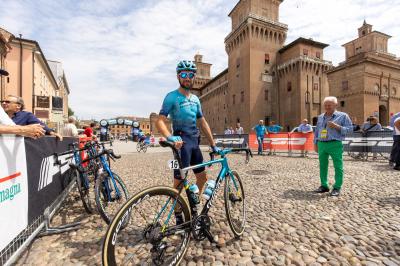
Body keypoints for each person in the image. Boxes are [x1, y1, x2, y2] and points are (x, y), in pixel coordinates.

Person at [156, 60, 219, 224]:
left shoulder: (196, 99)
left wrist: (213, 144)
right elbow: (160, 121)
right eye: (183, 75)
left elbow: (203, 122)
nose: (187, 78)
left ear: (194, 77)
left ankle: (194, 201)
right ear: (178, 76)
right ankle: (178, 215)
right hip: (181, 144)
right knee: (178, 184)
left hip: (195, 143)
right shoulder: (171, 97)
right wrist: (170, 137)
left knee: (202, 178)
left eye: (190, 75)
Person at [313, 96, 353, 197]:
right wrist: (315, 143)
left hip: (335, 143)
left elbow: (350, 129)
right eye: (325, 105)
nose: (327, 107)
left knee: (338, 166)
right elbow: (317, 130)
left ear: (336, 105)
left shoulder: (343, 116)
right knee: (322, 166)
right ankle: (324, 185)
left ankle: (337, 187)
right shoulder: (321, 116)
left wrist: (337, 127)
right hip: (322, 143)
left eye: (329, 105)